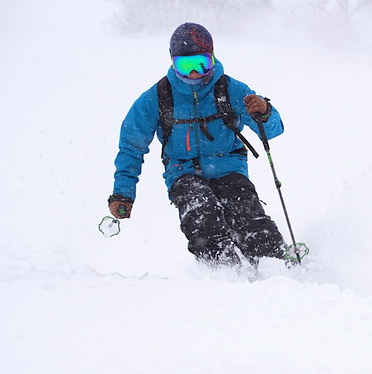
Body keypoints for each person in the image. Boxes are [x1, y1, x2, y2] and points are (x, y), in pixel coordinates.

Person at [108, 22, 287, 266]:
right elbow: (131, 146)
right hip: (183, 172)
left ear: (213, 57)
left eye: (202, 63)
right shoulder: (157, 98)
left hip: (229, 168)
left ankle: (276, 267)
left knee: (247, 216)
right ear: (172, 62)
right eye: (186, 65)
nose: (195, 73)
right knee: (201, 214)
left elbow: (273, 131)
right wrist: (123, 193)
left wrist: (265, 112)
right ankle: (223, 272)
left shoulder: (230, 89)